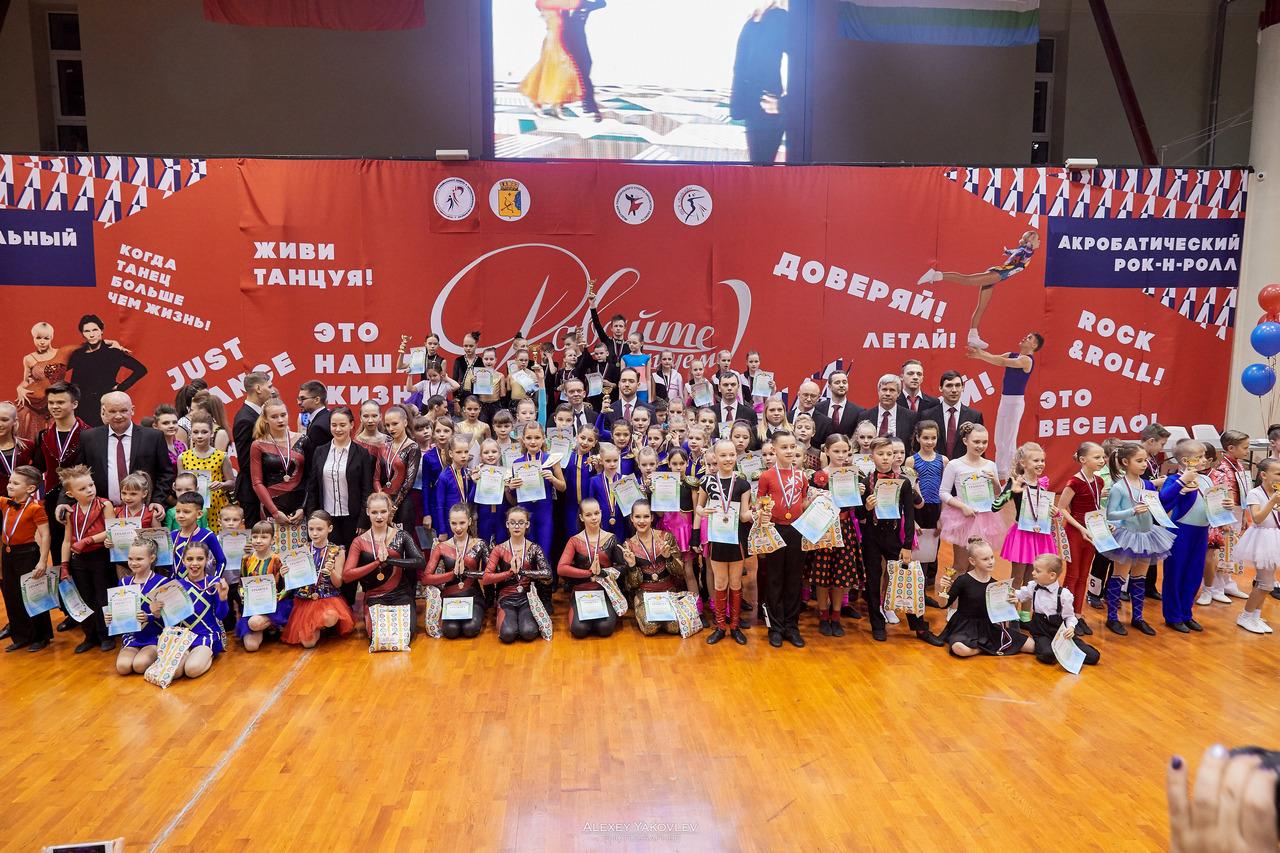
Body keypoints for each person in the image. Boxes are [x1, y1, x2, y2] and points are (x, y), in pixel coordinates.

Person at [857, 437, 944, 645]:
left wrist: (907, 545)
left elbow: (910, 514)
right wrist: (866, 507)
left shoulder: (903, 482)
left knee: (907, 580)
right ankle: (877, 625)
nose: (886, 458)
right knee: (873, 582)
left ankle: (920, 628)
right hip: (871, 537)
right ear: (872, 457)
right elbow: (859, 514)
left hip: (894, 536)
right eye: (881, 454)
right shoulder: (865, 483)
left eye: (890, 454)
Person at [917, 230, 1041, 349]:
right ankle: (935, 275)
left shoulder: (1021, 249)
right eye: (1038, 239)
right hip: (997, 275)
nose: (1040, 241)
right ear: (1031, 240)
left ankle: (973, 336)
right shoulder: (1028, 251)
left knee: (981, 307)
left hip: (997, 276)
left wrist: (1007, 251)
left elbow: (1013, 251)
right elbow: (1027, 249)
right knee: (967, 280)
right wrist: (1031, 242)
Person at [1101, 442, 1174, 636]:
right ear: (1125, 462)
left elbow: (1156, 506)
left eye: (1145, 460)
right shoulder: (1118, 487)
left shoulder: (1147, 484)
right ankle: (1112, 618)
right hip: (1127, 536)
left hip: (1147, 535)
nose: (1144, 464)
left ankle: (1138, 618)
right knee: (1118, 577)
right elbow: (1110, 514)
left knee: (1140, 579)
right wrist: (1131, 511)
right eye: (1139, 461)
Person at [64, 391, 173, 518]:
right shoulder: (89, 438)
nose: (118, 416)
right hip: (101, 512)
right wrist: (63, 502)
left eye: (123, 411)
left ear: (132, 410)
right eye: (112, 411)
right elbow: (77, 474)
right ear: (104, 412)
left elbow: (166, 473)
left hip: (143, 511)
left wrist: (157, 500)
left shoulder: (153, 437)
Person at [755, 430, 810, 648]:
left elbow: (803, 502)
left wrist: (816, 502)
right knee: (774, 579)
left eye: (792, 447)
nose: (789, 451)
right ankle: (775, 628)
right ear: (774, 450)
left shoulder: (801, 476)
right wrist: (761, 512)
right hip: (774, 530)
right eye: (784, 447)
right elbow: (758, 503)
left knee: (794, 579)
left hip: (796, 530)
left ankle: (791, 626)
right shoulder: (767, 476)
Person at [342, 493, 425, 637]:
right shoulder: (359, 541)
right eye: (374, 512)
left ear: (390, 511)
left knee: (405, 634)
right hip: (375, 597)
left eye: (383, 512)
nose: (379, 516)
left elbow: (420, 562)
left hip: (401, 595)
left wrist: (390, 561)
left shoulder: (402, 535)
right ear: (367, 512)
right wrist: (376, 563)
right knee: (380, 636)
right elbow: (347, 576)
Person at [695, 440, 753, 645]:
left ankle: (735, 626)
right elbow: (698, 507)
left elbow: (744, 516)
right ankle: (720, 626)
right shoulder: (707, 482)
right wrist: (703, 511)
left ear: (736, 456)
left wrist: (757, 512)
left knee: (735, 583)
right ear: (714, 458)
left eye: (731, 455)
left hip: (736, 539)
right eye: (723, 455)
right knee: (720, 582)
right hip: (717, 538)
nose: (728, 459)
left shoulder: (743, 484)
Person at [806, 434, 864, 638]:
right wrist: (815, 497)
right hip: (823, 527)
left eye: (845, 451)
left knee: (841, 575)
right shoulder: (817, 476)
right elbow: (808, 505)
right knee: (822, 575)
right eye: (836, 451)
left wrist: (860, 494)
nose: (841, 455)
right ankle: (823, 616)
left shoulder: (854, 475)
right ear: (826, 451)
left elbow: (857, 508)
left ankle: (836, 616)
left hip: (845, 526)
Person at [991, 442, 1057, 618]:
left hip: (1040, 535)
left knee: (1033, 579)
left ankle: (1026, 615)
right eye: (1036, 460)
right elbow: (995, 507)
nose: (1040, 464)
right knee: (1017, 577)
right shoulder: (1016, 482)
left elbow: (1042, 509)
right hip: (1022, 536)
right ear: (1023, 463)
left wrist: (1054, 512)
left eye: (1042, 460)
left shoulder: (1043, 483)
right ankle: (1011, 614)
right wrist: (1011, 492)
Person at [966, 332, 1044, 480]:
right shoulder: (1012, 355)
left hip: (1015, 403)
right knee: (999, 438)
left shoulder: (1027, 360)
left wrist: (981, 355)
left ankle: (1011, 474)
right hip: (1004, 401)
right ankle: (1000, 470)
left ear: (1034, 346)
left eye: (1029, 338)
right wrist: (979, 352)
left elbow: (1001, 362)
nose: (1024, 337)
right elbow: (995, 357)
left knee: (1009, 440)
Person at [937, 536, 1031, 657]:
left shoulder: (995, 585)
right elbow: (943, 605)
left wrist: (1012, 603)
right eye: (985, 559)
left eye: (992, 557)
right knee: (959, 648)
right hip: (964, 627)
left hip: (987, 627)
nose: (991, 562)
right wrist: (942, 589)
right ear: (972, 561)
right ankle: (986, 649)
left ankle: (982, 648)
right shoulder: (963, 580)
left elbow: (1000, 613)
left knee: (1031, 645)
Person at [150, 540, 230, 679]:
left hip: (206, 635)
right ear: (183, 561)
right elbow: (169, 619)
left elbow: (221, 615)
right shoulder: (174, 586)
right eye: (190, 559)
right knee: (175, 673)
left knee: (191, 670)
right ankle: (190, 654)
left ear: (207, 559)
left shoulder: (214, 583)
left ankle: (209, 653)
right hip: (183, 637)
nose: (194, 563)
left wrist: (223, 598)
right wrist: (156, 612)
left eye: (200, 559)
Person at [58, 464, 116, 653]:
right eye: (82, 489)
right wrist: (64, 565)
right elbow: (67, 540)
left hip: (100, 556)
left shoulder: (105, 505)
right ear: (70, 494)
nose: (89, 490)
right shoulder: (71, 511)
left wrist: (89, 540)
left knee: (102, 596)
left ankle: (106, 635)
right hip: (79, 559)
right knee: (85, 597)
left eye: (91, 485)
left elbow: (111, 530)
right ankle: (90, 636)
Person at [304, 406, 374, 564]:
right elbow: (313, 488)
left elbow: (366, 489)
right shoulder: (320, 451)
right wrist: (312, 518)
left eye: (342, 425)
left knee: (352, 561)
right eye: (334, 425)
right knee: (329, 562)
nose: (338, 429)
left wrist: (363, 520)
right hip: (326, 518)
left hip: (353, 518)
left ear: (351, 425)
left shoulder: (362, 453)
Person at [938, 423, 1005, 580]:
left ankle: (972, 595)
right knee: (961, 565)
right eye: (976, 441)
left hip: (985, 519)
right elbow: (943, 492)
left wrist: (996, 482)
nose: (980, 446)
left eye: (984, 442)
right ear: (965, 441)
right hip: (963, 518)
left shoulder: (990, 465)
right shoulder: (955, 465)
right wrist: (962, 507)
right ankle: (954, 596)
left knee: (978, 565)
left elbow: (997, 495)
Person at [281, 510, 355, 647]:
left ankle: (323, 625)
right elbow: (295, 582)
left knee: (330, 618)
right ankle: (315, 626)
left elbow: (338, 583)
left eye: (319, 529)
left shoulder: (337, 551)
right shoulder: (301, 550)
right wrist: (285, 574)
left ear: (330, 528)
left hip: (328, 598)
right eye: (311, 529)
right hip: (305, 600)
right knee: (307, 644)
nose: (314, 533)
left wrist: (331, 571)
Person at [1056, 441, 1108, 636]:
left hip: (1091, 532)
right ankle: (1065, 616)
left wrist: (1104, 523)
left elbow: (1094, 506)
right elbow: (1062, 508)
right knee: (1072, 575)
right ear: (1083, 459)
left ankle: (1077, 615)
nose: (1102, 460)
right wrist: (1080, 528)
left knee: (1084, 575)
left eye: (1103, 457)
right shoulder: (1074, 482)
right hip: (1075, 532)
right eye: (1097, 457)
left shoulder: (1099, 481)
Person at [557, 498, 627, 639]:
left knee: (604, 629)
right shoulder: (574, 541)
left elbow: (623, 567)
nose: (594, 518)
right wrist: (589, 573)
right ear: (581, 517)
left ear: (601, 513)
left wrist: (603, 572)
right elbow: (561, 569)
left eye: (596, 513)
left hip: (605, 589)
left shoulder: (611, 538)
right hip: (581, 590)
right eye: (588, 515)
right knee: (579, 630)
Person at [0, 465, 53, 652]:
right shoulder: (4, 502)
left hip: (28, 553)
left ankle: (41, 636)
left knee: (34, 596)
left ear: (30, 488)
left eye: (15, 483)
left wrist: (43, 561)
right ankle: (21, 635)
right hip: (8, 553)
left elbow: (45, 535)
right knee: (12, 596)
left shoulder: (35, 508)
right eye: (10, 482)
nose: (9, 486)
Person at [1015, 553, 1101, 666]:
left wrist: (1071, 627)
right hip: (1041, 632)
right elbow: (1019, 595)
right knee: (1047, 655)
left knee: (1094, 656)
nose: (1033, 573)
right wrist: (1009, 594)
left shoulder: (1064, 594)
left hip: (1060, 632)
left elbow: (1069, 616)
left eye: (1037, 571)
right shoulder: (1033, 587)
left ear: (1052, 575)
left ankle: (1063, 651)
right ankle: (1056, 650)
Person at [63, 314, 147, 428]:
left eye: (95, 330)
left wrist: (121, 387)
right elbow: (63, 372)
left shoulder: (113, 353)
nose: (91, 334)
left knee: (103, 435)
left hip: (105, 404)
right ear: (82, 334)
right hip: (82, 406)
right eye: (87, 331)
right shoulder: (78, 355)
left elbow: (141, 369)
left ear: (101, 331)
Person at [730, 0, 789, 164]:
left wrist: (738, 107)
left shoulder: (757, 19)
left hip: (758, 106)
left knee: (759, 164)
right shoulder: (772, 18)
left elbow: (740, 68)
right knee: (761, 164)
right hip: (764, 106)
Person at [249, 398, 310, 553]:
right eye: (274, 417)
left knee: (300, 558)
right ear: (265, 419)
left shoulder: (303, 440)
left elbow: (310, 477)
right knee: (274, 556)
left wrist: (304, 508)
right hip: (272, 507)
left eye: (283, 415)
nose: (280, 420)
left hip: (300, 508)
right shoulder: (258, 445)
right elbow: (257, 482)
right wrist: (275, 512)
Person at [484, 506, 553, 643]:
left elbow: (547, 573)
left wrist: (522, 572)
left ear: (527, 524)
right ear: (507, 524)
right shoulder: (499, 549)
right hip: (506, 598)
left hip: (526, 597)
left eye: (521, 522)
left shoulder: (534, 548)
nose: (516, 526)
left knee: (529, 633)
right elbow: (486, 578)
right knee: (508, 635)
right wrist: (510, 572)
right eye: (513, 522)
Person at [422, 504, 489, 639]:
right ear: (449, 522)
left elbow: (490, 575)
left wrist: (467, 573)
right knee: (451, 631)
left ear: (469, 521)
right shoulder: (441, 547)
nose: (458, 528)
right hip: (450, 599)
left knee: (470, 629)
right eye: (454, 523)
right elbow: (425, 579)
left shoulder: (480, 544)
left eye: (462, 523)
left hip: (473, 596)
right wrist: (452, 574)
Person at [1203, 429, 1253, 604]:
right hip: (1227, 514)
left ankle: (1228, 583)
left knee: (1232, 551)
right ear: (1231, 448)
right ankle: (1215, 586)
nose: (1247, 451)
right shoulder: (1222, 469)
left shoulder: (1240, 466)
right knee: (1221, 551)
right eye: (1244, 448)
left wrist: (1245, 514)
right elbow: (1221, 497)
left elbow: (1243, 492)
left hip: (1239, 511)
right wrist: (1224, 519)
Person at [624, 500, 686, 636]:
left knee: (674, 628)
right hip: (644, 594)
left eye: (646, 516)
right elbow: (632, 584)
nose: (642, 521)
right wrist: (632, 566)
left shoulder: (666, 537)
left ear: (652, 517)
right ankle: (638, 603)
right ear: (632, 518)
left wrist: (668, 556)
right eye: (638, 517)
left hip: (668, 591)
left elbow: (680, 571)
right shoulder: (628, 545)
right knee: (650, 628)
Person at [1234, 458, 1280, 633]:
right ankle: (1245, 616)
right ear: (1264, 475)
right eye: (1278, 474)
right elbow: (1258, 519)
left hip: (1275, 538)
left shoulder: (1277, 492)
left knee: (1263, 582)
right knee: (1267, 585)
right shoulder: (1255, 493)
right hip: (1262, 539)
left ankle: (1255, 616)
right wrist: (1272, 502)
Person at [107, 538, 165, 674]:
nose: (133, 563)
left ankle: (160, 654)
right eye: (130, 558)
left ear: (152, 558)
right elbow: (120, 613)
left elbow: (171, 617)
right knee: (123, 667)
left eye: (139, 559)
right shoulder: (123, 583)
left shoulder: (162, 582)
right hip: (133, 636)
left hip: (155, 636)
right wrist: (111, 618)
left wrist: (149, 617)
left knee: (139, 666)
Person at [14, 322, 79, 442]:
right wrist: (20, 388)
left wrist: (112, 343)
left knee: (56, 440)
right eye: (38, 338)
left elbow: (85, 345)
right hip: (33, 404)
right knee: (32, 439)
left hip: (55, 403)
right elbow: (25, 381)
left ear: (52, 337)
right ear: (33, 337)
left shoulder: (62, 353)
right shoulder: (28, 358)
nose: (42, 342)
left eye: (46, 338)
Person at [519, 3, 582, 117]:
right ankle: (537, 103)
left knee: (564, 69)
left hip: (564, 38)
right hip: (553, 39)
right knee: (550, 68)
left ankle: (557, 104)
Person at [235, 521, 290, 651]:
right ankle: (266, 628)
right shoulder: (246, 559)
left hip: (274, 606)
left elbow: (288, 588)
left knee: (255, 623)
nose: (258, 541)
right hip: (254, 607)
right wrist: (242, 594)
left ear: (273, 539)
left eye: (264, 537)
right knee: (251, 647)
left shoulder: (277, 559)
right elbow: (241, 584)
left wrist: (279, 596)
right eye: (255, 537)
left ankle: (272, 624)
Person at [178, 412, 234, 534]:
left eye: (204, 432)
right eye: (196, 432)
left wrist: (222, 484)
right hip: (192, 509)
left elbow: (232, 483)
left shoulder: (222, 456)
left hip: (217, 508)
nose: (200, 436)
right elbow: (179, 482)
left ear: (212, 433)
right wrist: (176, 486)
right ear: (191, 433)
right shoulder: (183, 457)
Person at [232, 371, 274, 525]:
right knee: (256, 534)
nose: (272, 391)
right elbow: (245, 461)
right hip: (252, 492)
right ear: (258, 388)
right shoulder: (246, 419)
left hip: (262, 489)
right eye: (269, 386)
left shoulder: (258, 415)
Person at [911, 420, 946, 603]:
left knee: (929, 553)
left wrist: (942, 517)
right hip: (917, 511)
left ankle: (922, 594)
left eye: (933, 438)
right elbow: (908, 493)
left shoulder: (943, 461)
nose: (929, 442)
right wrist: (912, 520)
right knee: (915, 552)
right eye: (925, 438)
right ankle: (912, 592)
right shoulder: (911, 461)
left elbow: (946, 491)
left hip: (935, 510)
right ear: (918, 438)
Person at [919, 372, 983, 460]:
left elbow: (979, 446)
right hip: (934, 465)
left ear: (963, 388)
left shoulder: (974, 416)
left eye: (957, 385)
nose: (954, 390)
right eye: (949, 386)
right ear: (940, 388)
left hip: (964, 466)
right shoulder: (927, 415)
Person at [560, 0, 605, 119]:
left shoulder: (584, 4)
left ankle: (588, 105)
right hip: (565, 40)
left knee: (585, 68)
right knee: (576, 72)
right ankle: (588, 105)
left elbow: (602, 3)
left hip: (579, 39)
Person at [378, 405, 421, 530]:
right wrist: (381, 497)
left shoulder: (413, 447)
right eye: (387, 425)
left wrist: (394, 506)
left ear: (405, 423)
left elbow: (409, 482)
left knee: (401, 540)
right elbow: (377, 475)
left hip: (403, 506)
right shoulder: (385, 446)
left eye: (395, 424)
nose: (391, 428)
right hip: (383, 503)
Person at [856, 374, 916, 443]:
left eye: (892, 390)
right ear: (878, 391)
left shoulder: (910, 417)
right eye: (884, 389)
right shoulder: (865, 416)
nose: (887, 394)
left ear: (898, 393)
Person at [816, 370, 861, 437]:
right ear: (829, 387)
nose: (841, 385)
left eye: (844, 382)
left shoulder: (858, 412)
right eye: (837, 383)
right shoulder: (818, 408)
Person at [297, 380, 331, 450]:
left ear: (317, 400)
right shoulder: (327, 417)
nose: (299, 403)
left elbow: (315, 455)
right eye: (298, 399)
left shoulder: (318, 426)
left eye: (303, 399)